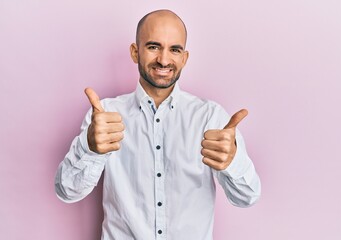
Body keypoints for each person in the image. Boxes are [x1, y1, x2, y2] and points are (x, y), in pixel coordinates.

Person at [55, 9, 261, 240]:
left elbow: (247, 196)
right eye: (153, 46)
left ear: (184, 57)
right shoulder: (105, 115)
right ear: (135, 52)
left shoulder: (210, 117)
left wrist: (232, 162)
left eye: (174, 49)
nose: (164, 60)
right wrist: (89, 148)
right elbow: (67, 191)